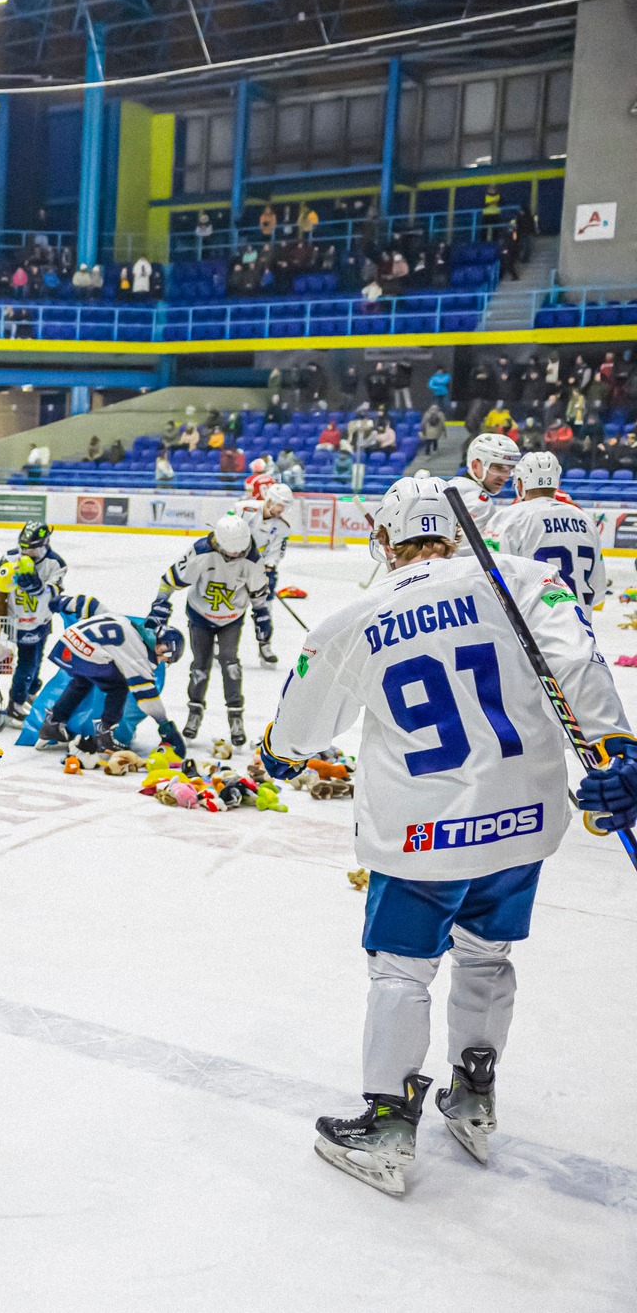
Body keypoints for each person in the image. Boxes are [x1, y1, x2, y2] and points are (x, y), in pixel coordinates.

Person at [259, 476, 632, 1197]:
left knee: (402, 970)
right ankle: (473, 1092)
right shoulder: (521, 579)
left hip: (420, 832)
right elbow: (580, 664)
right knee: (488, 958)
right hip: (522, 824)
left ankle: (390, 1123)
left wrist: (278, 748)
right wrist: (621, 750)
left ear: (383, 541)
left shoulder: (356, 617)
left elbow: (295, 737)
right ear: (457, 532)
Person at [145, 515, 272, 744]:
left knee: (230, 662)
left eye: (240, 552)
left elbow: (259, 595)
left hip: (232, 618)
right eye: (232, 552)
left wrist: (262, 617)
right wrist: (160, 603)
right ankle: (194, 713)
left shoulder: (253, 559)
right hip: (200, 615)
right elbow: (170, 579)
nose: (236, 556)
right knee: (200, 665)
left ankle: (235, 716)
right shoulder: (201, 551)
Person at [32, 610, 188, 754]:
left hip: (67, 643)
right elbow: (146, 697)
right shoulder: (138, 652)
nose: (161, 662)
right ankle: (104, 735)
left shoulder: (131, 625)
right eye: (166, 659)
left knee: (82, 680)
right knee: (118, 687)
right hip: (85, 650)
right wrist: (165, 725)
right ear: (164, 647)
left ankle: (53, 723)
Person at [489, 452, 601, 622]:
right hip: (581, 632)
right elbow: (598, 588)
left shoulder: (508, 519)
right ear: (557, 482)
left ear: (520, 483)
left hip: (535, 633)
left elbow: (493, 583)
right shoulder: (586, 520)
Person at [0, 522, 70, 729]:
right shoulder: (10, 557)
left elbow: (54, 591)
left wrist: (39, 588)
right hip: (18, 620)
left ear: (44, 543)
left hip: (41, 620)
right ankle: (15, 705)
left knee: (37, 659)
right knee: (27, 663)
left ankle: (29, 691)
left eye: (32, 548)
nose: (27, 552)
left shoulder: (55, 563)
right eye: (24, 547)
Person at [234, 482, 294, 662]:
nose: (281, 510)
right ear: (270, 500)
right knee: (232, 606)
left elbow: (276, 552)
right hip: (235, 566)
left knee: (265, 610)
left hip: (260, 570)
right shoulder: (244, 509)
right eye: (280, 505)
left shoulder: (283, 526)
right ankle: (221, 645)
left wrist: (269, 569)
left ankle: (265, 646)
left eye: (284, 506)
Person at [448, 432, 519, 548]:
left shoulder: (452, 485)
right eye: (498, 468)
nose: (505, 477)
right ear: (475, 465)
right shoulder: (480, 503)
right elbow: (468, 554)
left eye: (509, 470)